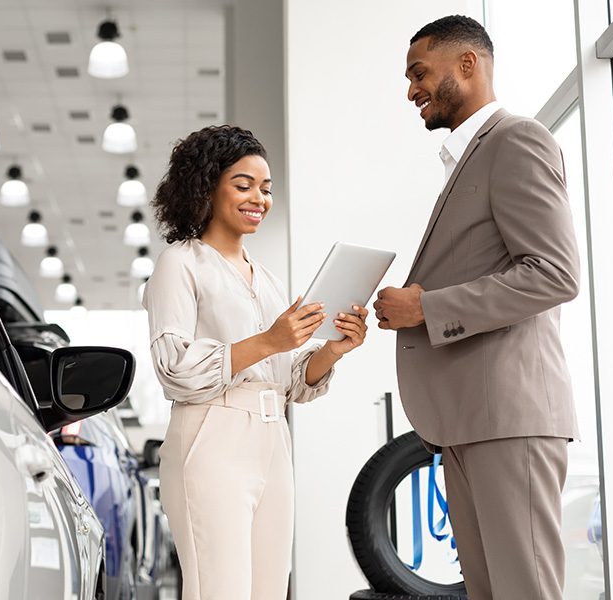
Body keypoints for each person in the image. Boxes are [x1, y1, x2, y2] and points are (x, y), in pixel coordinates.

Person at [373, 15, 580, 600]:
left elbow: (555, 273)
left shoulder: (517, 140)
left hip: (509, 419)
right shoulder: (469, 158)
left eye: (419, 73)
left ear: (467, 64)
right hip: (471, 422)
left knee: (525, 590)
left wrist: (427, 307)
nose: (410, 89)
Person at [142, 125, 368, 600]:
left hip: (271, 440)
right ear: (206, 187)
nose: (259, 199)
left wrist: (332, 350)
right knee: (218, 591)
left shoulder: (264, 278)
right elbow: (175, 369)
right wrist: (269, 340)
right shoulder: (179, 263)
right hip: (211, 435)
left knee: (269, 592)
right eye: (243, 185)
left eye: (265, 189)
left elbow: (289, 380)